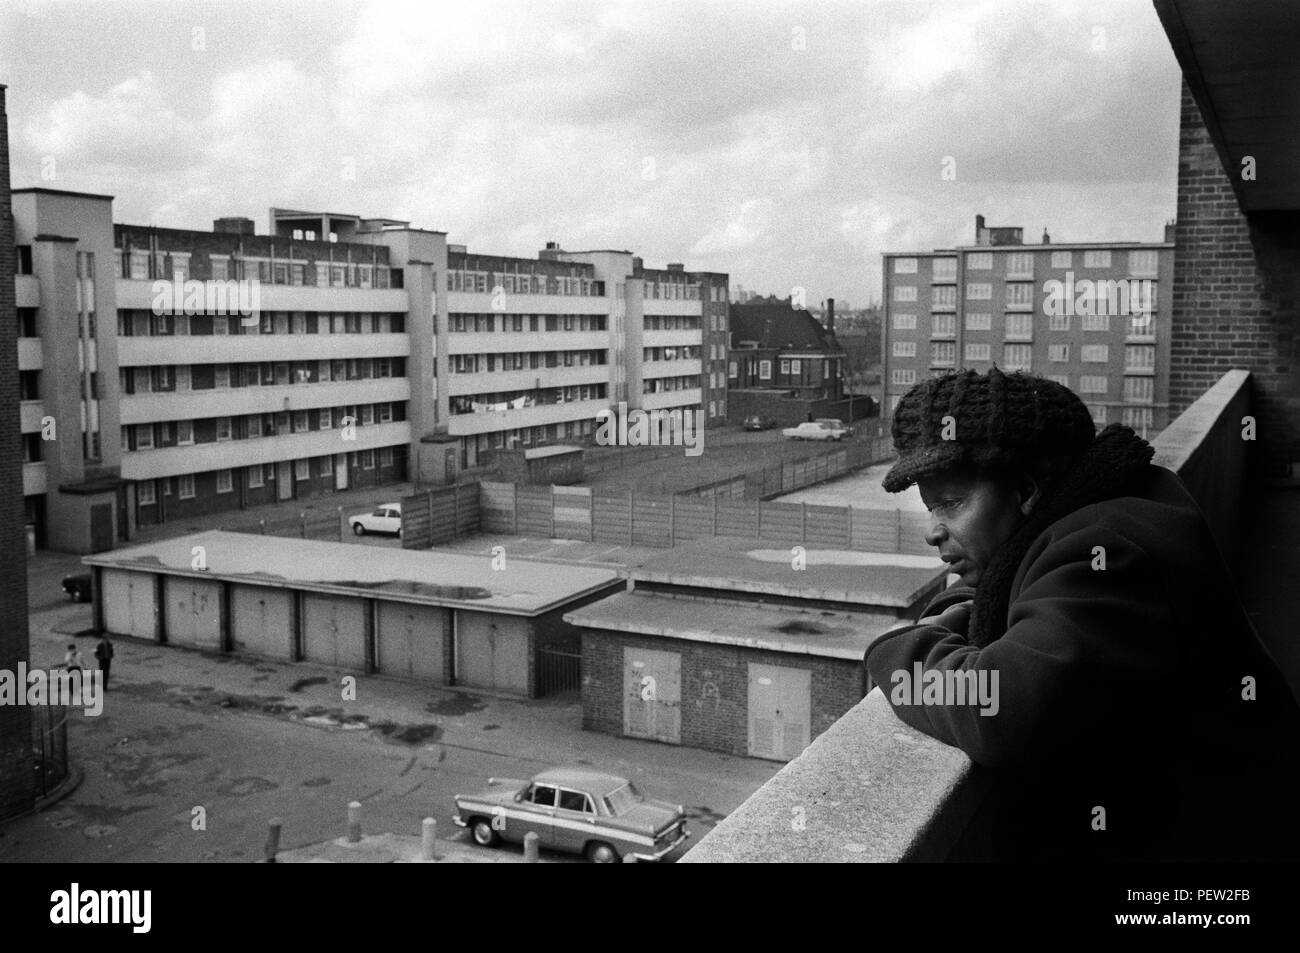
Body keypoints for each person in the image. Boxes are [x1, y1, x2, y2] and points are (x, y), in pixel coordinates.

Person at [863, 367, 1300, 861]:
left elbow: (999, 708)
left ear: (1025, 490)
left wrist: (899, 647)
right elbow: (1005, 602)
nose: (933, 531)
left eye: (951, 502)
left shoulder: (1105, 551)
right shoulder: (1093, 514)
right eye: (930, 507)